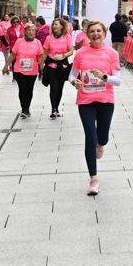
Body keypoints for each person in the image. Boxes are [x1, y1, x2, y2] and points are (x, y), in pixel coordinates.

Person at [70, 21, 122, 196]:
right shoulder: (81, 54)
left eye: (99, 31)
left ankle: (101, 144)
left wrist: (105, 77)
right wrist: (73, 81)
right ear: (87, 34)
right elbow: (72, 74)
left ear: (104, 33)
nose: (95, 34)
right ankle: (93, 179)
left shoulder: (112, 53)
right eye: (92, 31)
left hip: (106, 100)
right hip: (85, 100)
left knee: (102, 138)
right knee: (89, 137)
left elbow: (119, 80)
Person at [40, 16, 74, 120]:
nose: (54, 26)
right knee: (53, 87)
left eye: (56, 24)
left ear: (61, 26)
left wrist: (63, 55)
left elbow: (71, 51)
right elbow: (45, 52)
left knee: (59, 88)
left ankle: (57, 107)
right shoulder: (49, 38)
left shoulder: (67, 36)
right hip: (51, 65)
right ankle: (53, 109)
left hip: (63, 65)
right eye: (53, 24)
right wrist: (41, 65)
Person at [9, 21, 44, 119]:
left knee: (29, 90)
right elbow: (13, 55)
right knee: (22, 89)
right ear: (25, 31)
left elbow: (40, 56)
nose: (31, 32)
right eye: (29, 30)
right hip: (19, 70)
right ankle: (24, 109)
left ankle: (27, 108)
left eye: (33, 30)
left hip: (32, 71)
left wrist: (41, 66)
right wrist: (6, 66)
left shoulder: (38, 42)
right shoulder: (19, 41)